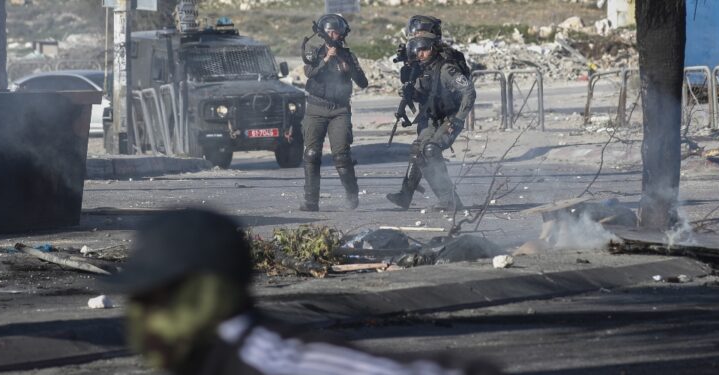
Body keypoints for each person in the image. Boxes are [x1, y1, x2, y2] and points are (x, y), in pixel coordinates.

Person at [104, 208, 503, 375]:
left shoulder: (281, 363)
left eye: (151, 300)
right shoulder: (199, 363)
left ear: (203, 296)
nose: (139, 319)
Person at [386, 33, 476, 211]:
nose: (421, 54)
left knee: (431, 150)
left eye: (424, 50)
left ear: (433, 49)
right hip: (432, 118)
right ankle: (410, 196)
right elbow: (425, 94)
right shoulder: (421, 70)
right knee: (417, 151)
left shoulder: (446, 69)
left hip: (450, 117)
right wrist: (410, 94)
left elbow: (469, 92)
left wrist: (459, 119)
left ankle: (450, 200)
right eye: (417, 51)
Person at [300, 14, 368, 212]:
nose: (332, 34)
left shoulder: (348, 55)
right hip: (315, 108)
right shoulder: (315, 52)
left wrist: (348, 68)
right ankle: (311, 201)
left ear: (342, 34)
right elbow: (309, 73)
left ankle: (351, 195)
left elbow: (363, 83)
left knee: (341, 155)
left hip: (339, 110)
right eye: (328, 31)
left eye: (335, 31)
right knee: (311, 154)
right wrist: (327, 58)